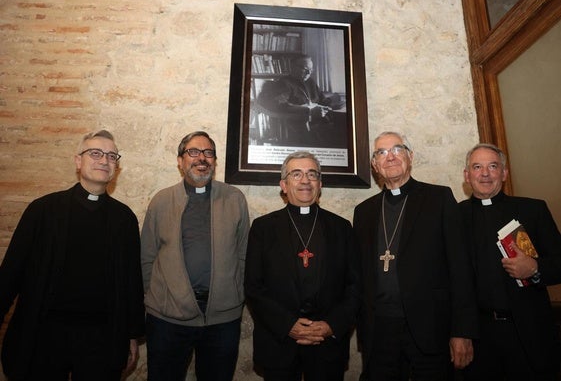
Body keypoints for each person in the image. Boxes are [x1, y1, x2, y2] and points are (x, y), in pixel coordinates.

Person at [0, 130, 145, 381]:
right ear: (78, 161)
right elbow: (12, 271)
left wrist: (131, 335)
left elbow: (131, 282)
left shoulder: (125, 218)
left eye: (112, 156)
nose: (104, 160)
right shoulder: (43, 210)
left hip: (101, 337)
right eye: (95, 153)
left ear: (116, 167)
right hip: (44, 333)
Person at [353, 131, 478, 380]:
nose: (390, 157)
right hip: (380, 331)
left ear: (410, 157)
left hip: (429, 328)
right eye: (381, 152)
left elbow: (460, 269)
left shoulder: (438, 198)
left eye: (397, 149)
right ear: (375, 165)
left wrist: (462, 331)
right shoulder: (364, 212)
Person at [141, 130, 250, 381]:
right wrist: (158, 296)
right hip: (167, 320)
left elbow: (243, 254)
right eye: (193, 152)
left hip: (222, 320)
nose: (202, 158)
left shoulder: (235, 199)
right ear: (180, 161)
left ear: (214, 160)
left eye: (208, 152)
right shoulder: (161, 201)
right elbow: (147, 256)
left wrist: (235, 292)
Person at [244, 151, 360, 381]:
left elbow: (355, 286)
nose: (305, 180)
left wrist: (331, 325)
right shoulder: (263, 228)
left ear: (320, 184)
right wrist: (288, 324)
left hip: (327, 344)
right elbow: (253, 287)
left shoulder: (341, 228)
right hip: (279, 343)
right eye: (296, 174)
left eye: (311, 174)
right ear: (284, 185)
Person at [460, 143, 561, 380]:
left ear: (504, 174)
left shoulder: (533, 209)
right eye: (477, 167)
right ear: (467, 176)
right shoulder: (454, 217)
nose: (485, 173)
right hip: (478, 337)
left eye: (493, 166)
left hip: (529, 334)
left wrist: (536, 268)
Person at [256, 54, 345, 147]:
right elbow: (281, 106)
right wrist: (309, 111)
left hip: (320, 122)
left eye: (311, 70)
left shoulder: (310, 81)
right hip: (299, 128)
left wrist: (334, 102)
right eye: (305, 69)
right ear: (293, 67)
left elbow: (321, 100)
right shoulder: (284, 83)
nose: (309, 73)